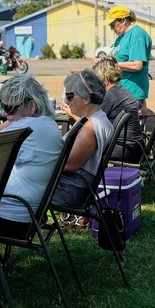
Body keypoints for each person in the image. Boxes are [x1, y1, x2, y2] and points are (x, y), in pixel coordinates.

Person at [0, 75, 63, 240]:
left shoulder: (23, 129)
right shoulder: (48, 123)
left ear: (32, 105)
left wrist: (10, 123)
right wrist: (11, 119)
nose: (3, 112)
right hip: (31, 216)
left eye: (10, 107)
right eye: (2, 105)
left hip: (10, 218)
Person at [53, 71, 114, 210]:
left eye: (69, 96)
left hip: (71, 191)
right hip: (73, 186)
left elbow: (69, 165)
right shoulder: (96, 118)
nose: (67, 101)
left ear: (86, 98)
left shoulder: (91, 126)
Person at [92, 57, 144, 162]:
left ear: (104, 76)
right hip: (135, 147)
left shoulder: (110, 95)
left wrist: (71, 112)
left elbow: (91, 123)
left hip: (124, 150)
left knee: (85, 148)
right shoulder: (120, 90)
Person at [107, 6, 152, 110]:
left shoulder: (136, 34)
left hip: (131, 93)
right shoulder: (122, 37)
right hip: (120, 91)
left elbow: (137, 65)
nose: (112, 28)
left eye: (113, 24)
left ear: (123, 20)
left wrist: (112, 64)